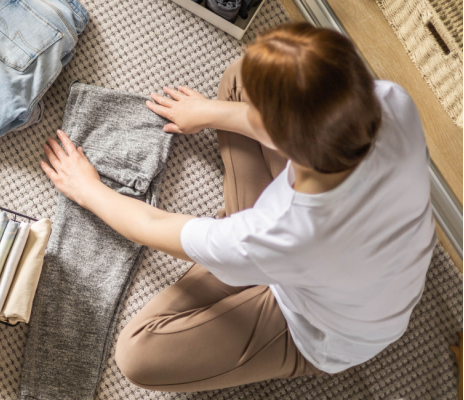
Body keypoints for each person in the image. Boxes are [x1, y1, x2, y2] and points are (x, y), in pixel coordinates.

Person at [39, 22, 436, 392]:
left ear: (286, 140)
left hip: (326, 328)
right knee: (242, 77)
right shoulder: (392, 101)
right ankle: (241, 259)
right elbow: (285, 119)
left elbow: (149, 224)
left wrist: (88, 189)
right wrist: (209, 113)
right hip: (358, 258)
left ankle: (243, 262)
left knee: (137, 354)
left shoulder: (282, 229)